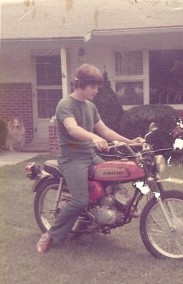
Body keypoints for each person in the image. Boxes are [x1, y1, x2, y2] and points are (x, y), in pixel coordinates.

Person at [36, 64, 141, 253]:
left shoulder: (90, 107)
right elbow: (72, 128)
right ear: (80, 84)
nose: (96, 90)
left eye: (97, 86)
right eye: (92, 86)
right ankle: (50, 234)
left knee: (115, 177)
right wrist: (94, 137)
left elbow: (105, 130)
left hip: (90, 156)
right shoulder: (65, 104)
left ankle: (99, 219)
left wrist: (130, 142)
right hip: (72, 158)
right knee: (80, 200)